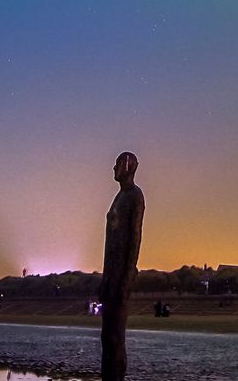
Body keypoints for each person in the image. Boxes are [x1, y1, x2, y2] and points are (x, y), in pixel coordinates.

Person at [99, 151, 146, 381]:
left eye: (117, 164)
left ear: (127, 167)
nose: (113, 168)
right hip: (111, 273)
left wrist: (127, 276)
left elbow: (135, 237)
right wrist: (105, 278)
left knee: (116, 336)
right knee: (106, 336)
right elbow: (111, 243)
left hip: (121, 274)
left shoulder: (135, 196)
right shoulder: (119, 197)